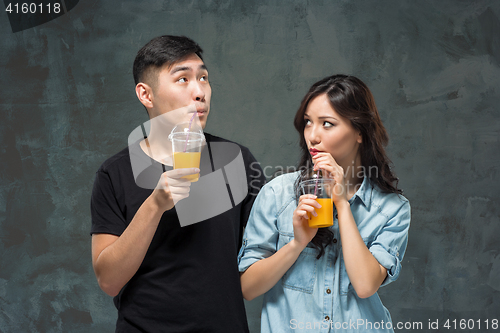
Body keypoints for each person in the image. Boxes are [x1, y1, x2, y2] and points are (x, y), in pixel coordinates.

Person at [90, 35, 265, 332]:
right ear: (146, 95)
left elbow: (268, 249)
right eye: (182, 79)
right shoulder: (114, 173)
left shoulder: (237, 160)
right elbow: (109, 280)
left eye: (204, 78)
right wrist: (156, 204)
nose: (200, 92)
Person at [238, 75, 411, 332]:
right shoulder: (277, 194)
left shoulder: (391, 208)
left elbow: (365, 286)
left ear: (360, 132)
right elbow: (248, 288)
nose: (313, 136)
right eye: (308, 122)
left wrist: (341, 203)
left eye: (327, 124)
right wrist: (297, 244)